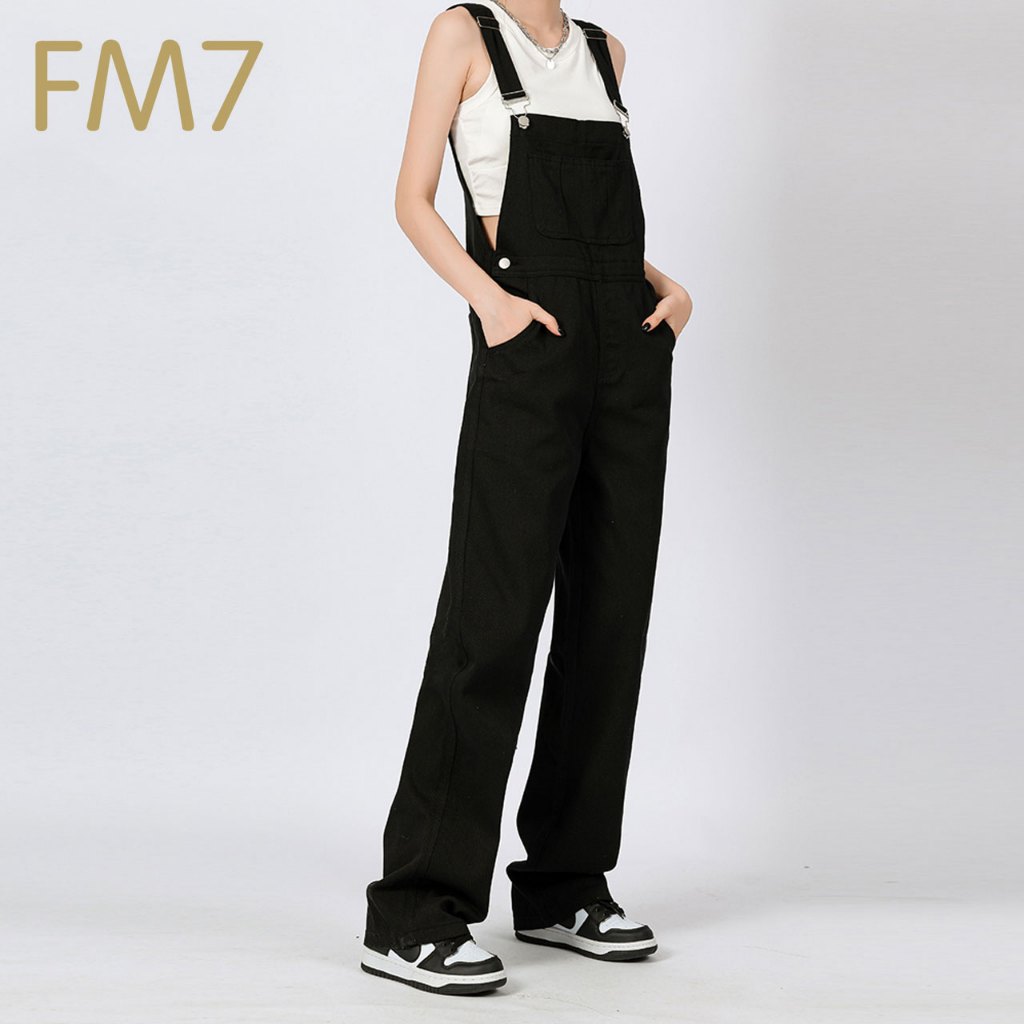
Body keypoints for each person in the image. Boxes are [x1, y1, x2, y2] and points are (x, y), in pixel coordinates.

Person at [360, 0, 693, 995]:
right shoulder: (463, 34)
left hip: (627, 346)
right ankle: (414, 909)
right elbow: (414, 199)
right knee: (491, 619)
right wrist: (493, 305)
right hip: (530, 344)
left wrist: (665, 290)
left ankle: (564, 884)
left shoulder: (604, 51)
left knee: (609, 618)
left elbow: (605, 239)